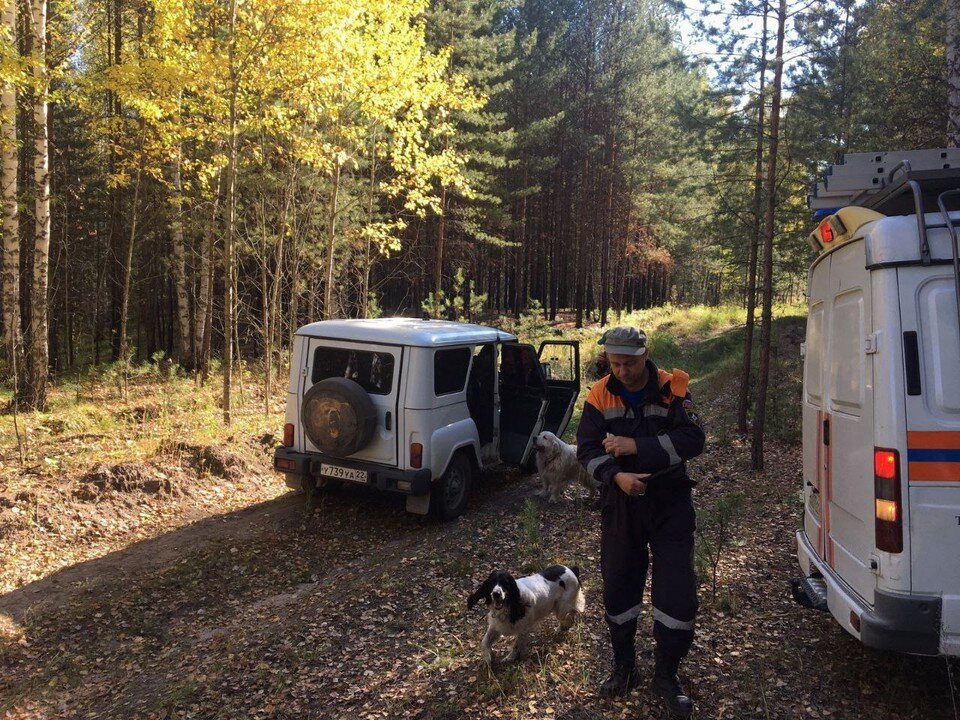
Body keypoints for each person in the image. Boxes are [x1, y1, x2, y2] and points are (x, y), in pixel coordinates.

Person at [576, 326, 705, 718]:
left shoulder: (673, 388)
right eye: (614, 363)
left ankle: (667, 676)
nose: (622, 371)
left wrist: (637, 447)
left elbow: (694, 440)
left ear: (645, 353)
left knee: (677, 593)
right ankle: (624, 667)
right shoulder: (599, 393)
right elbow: (586, 449)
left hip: (669, 503)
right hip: (621, 506)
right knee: (619, 584)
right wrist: (617, 476)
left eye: (629, 363)